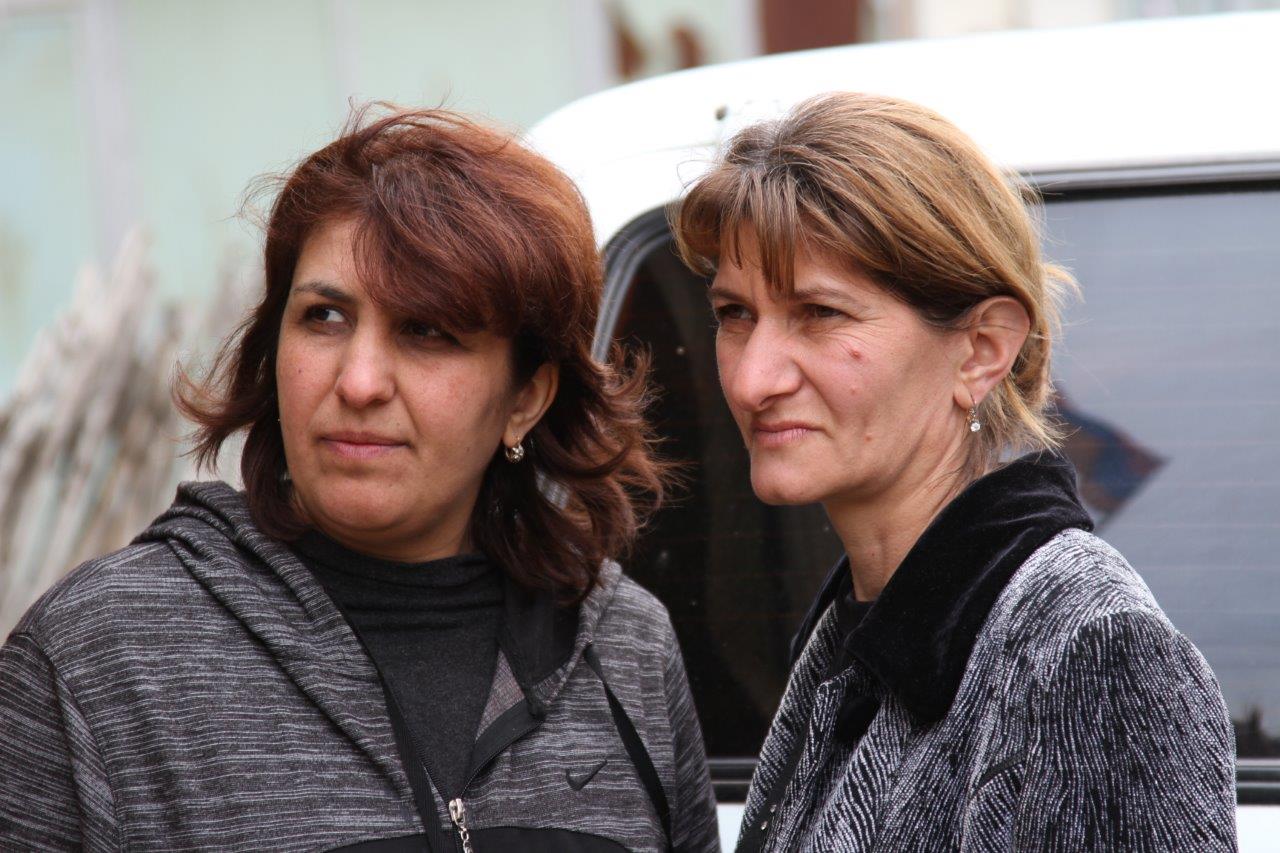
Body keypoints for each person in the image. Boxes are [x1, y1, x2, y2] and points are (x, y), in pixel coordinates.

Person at [0, 106, 719, 852]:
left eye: (426, 330)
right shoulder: (102, 655)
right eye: (325, 317)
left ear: (524, 400)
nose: (360, 381)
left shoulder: (626, 649)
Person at [673, 92, 1235, 851]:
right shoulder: (857, 629)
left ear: (981, 350)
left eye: (820, 313)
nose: (752, 381)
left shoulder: (1092, 651)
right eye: (735, 314)